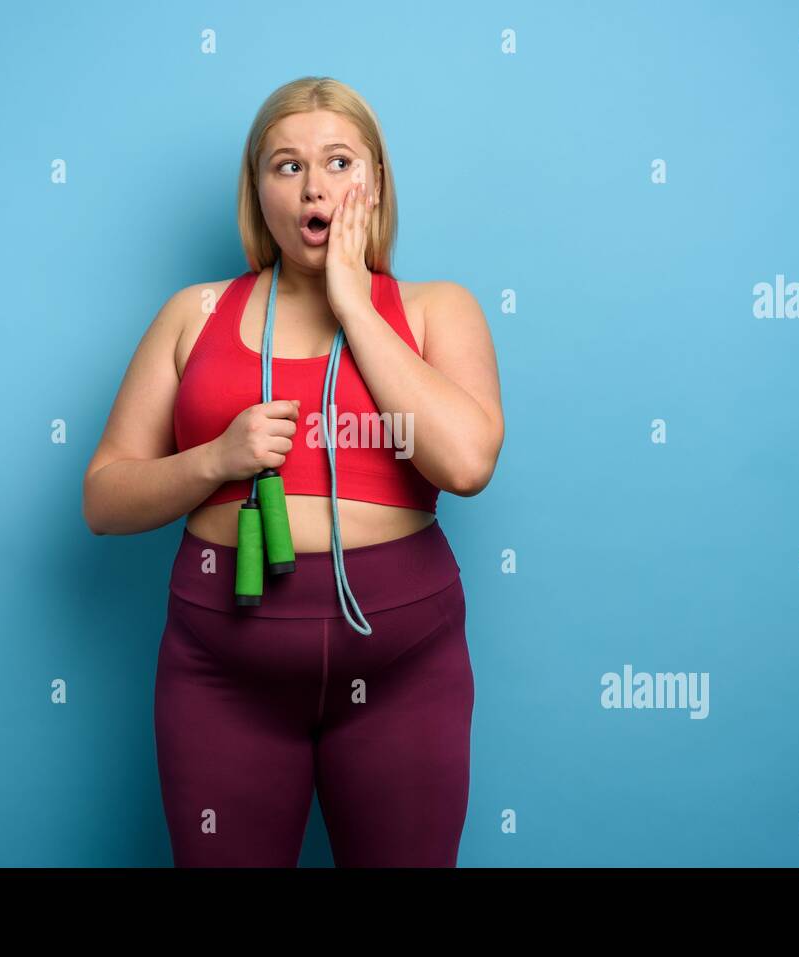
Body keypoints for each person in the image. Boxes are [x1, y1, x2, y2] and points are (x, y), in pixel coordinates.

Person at [82, 76, 504, 866]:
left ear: (374, 183)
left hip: (404, 668)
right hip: (222, 673)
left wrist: (353, 303)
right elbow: (103, 498)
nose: (315, 185)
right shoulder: (192, 313)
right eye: (287, 166)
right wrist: (214, 459)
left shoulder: (437, 308)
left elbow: (467, 462)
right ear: (258, 191)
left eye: (339, 161)